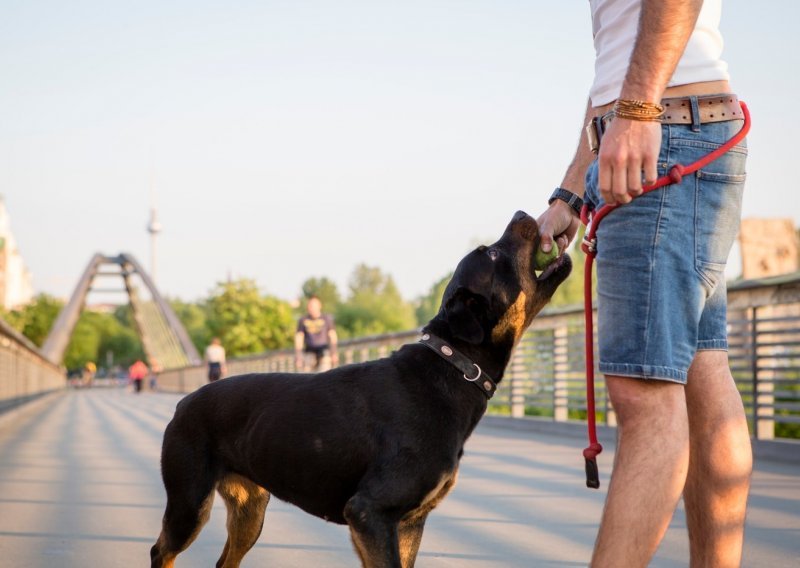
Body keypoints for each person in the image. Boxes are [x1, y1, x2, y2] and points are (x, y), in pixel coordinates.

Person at [536, 1, 752, 566]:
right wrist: (569, 193)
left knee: (644, 393)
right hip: (676, 124)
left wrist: (636, 111)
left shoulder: (645, 106)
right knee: (701, 373)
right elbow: (616, 56)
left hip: (664, 130)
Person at [294, 296, 338, 372]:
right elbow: (299, 338)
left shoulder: (326, 318)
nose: (312, 308)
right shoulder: (303, 320)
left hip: (324, 351)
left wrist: (334, 353)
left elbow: (332, 336)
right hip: (309, 352)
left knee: (325, 375)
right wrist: (298, 356)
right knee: (306, 377)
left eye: (314, 305)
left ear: (319, 306)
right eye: (310, 306)